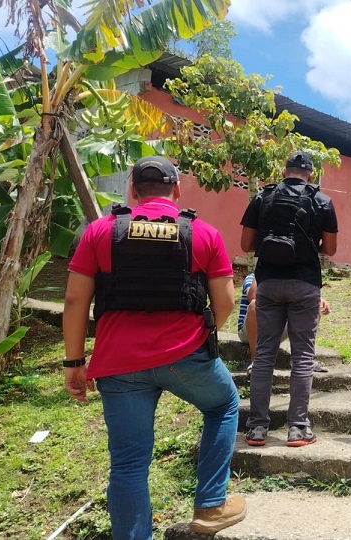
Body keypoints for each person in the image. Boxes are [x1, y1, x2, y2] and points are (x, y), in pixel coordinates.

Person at [62, 156, 245, 537]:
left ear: (132, 190)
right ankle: (211, 504)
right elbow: (225, 302)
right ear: (177, 190)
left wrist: (74, 361)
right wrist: (203, 333)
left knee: (128, 463)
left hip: (118, 363)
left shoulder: (100, 231)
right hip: (186, 355)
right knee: (224, 404)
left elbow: (75, 301)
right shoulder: (204, 234)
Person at [240, 151, 338, 448]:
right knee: (303, 356)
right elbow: (331, 250)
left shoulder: (263, 197)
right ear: (310, 173)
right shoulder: (322, 200)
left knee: (264, 355)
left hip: (268, 282)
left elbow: (245, 244)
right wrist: (307, 248)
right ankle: (298, 428)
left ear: (285, 171)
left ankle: (257, 428)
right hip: (305, 284)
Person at [238, 272, 331, 374]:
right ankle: (255, 360)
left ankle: (305, 359)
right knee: (255, 304)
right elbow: (252, 296)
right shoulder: (251, 277)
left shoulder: (292, 278)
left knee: (313, 304)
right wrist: (260, 271)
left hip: (278, 327)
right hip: (249, 330)